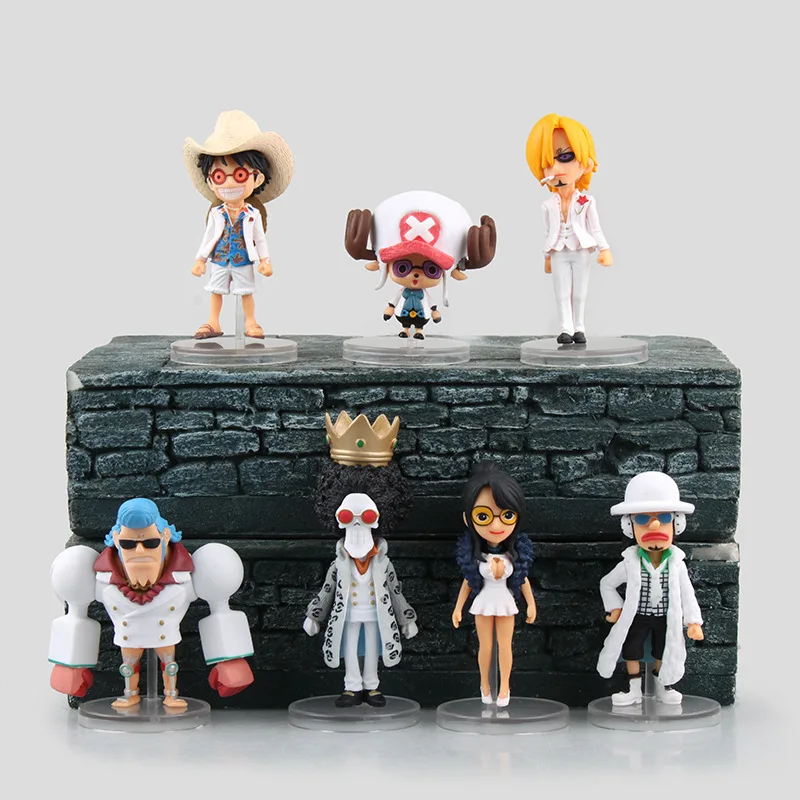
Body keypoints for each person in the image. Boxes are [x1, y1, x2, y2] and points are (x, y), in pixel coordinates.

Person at [49, 498, 254, 709]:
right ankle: (130, 694)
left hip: (165, 637)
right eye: (129, 544)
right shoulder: (101, 580)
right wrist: (70, 663)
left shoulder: (186, 578)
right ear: (117, 540)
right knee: (128, 666)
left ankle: (171, 695)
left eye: (150, 543)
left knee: (170, 665)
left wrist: (230, 659)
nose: (139, 551)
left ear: (165, 537)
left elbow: (219, 604)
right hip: (129, 639)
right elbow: (76, 610)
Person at [304, 412, 418, 708]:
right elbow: (327, 590)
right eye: (347, 517)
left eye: (365, 517)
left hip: (376, 612)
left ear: (378, 519)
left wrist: (406, 619)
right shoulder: (340, 563)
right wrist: (315, 615)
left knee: (374, 649)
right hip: (348, 613)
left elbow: (395, 591)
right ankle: (352, 686)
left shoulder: (382, 562)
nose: (357, 524)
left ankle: (372, 686)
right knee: (350, 646)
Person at [597, 472, 705, 706]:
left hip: (665, 617)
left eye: (664, 517)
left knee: (663, 650)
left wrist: (693, 621)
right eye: (642, 519)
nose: (654, 525)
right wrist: (615, 607)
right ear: (629, 526)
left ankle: (662, 687)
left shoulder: (676, 564)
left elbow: (688, 594)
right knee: (631, 650)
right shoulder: (629, 563)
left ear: (677, 524)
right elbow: (607, 583)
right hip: (638, 615)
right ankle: (633, 689)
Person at [183, 110, 294, 340]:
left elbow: (259, 239)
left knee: (246, 292)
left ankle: (251, 322)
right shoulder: (217, 214)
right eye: (220, 176)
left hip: (243, 258)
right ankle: (213, 321)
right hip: (220, 258)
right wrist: (200, 259)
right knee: (215, 290)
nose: (230, 182)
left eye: (240, 174)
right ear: (210, 181)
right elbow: (209, 237)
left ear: (257, 178)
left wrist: (265, 260)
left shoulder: (252, 214)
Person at [345, 190, 496, 339]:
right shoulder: (403, 292)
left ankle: (419, 331)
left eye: (431, 270)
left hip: (421, 316)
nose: (416, 274)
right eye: (402, 268)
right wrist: (389, 310)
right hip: (403, 314)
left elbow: (431, 304)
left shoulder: (423, 294)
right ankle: (406, 330)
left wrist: (435, 312)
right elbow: (393, 302)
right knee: (405, 325)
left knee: (419, 326)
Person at [452, 462, 536, 707]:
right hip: (484, 602)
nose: (496, 526)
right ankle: (485, 685)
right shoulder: (476, 557)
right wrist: (458, 608)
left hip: (505, 602)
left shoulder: (514, 555)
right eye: (484, 516)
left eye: (507, 515)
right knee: (486, 646)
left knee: (506, 646)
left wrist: (531, 604)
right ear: (468, 519)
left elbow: (523, 580)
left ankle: (505, 686)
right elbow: (468, 583)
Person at [525, 114, 613, 344]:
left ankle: (579, 328)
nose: (555, 168)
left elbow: (595, 228)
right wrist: (546, 256)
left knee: (580, 292)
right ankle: (565, 328)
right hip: (558, 252)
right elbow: (548, 232)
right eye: (546, 163)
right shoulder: (547, 205)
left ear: (586, 164)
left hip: (581, 250)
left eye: (565, 157)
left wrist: (604, 249)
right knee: (561, 292)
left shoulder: (587, 201)